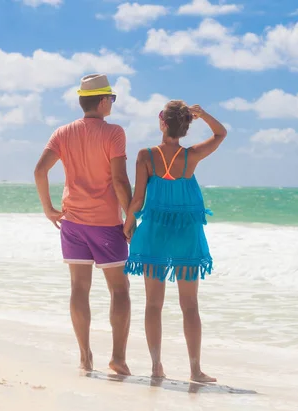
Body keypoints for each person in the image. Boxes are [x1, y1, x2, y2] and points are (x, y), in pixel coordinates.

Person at [34, 74, 133, 375]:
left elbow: (40, 171)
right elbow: (118, 179)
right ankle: (117, 358)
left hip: (73, 223)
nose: (112, 103)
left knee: (79, 287)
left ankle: (84, 357)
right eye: (112, 99)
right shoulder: (114, 133)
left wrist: (49, 209)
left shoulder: (62, 133)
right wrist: (129, 215)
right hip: (105, 224)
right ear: (103, 101)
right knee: (119, 290)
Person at [123, 100, 227, 382]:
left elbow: (137, 198)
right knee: (190, 305)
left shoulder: (146, 156)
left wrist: (129, 222)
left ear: (162, 122)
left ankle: (156, 366)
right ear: (184, 127)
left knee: (153, 304)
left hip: (155, 232)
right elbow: (221, 134)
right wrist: (204, 114)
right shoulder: (191, 156)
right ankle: (195, 370)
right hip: (186, 234)